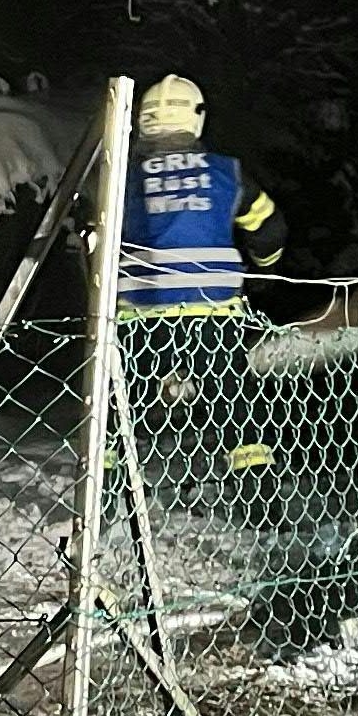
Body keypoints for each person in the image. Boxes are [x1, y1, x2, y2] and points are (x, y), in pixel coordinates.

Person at [114, 74, 285, 499]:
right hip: (213, 313)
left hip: (138, 314)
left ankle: (107, 485)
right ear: (196, 118)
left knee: (120, 400)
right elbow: (270, 231)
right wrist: (264, 268)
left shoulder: (120, 175)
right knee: (235, 401)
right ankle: (258, 493)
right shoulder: (230, 173)